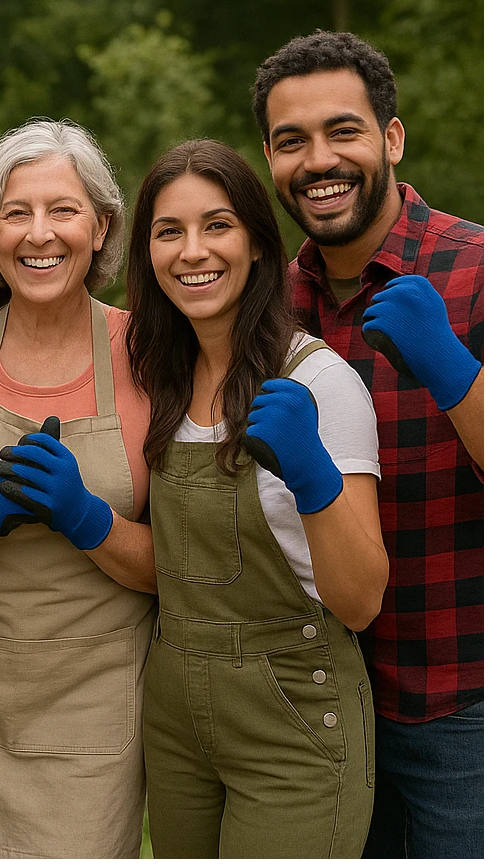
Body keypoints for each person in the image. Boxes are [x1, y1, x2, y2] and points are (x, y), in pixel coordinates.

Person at [252, 31, 484, 859]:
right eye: (291, 142)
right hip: (318, 707)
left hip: (462, 705)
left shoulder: (476, 270)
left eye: (342, 132)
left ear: (390, 138)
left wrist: (457, 375)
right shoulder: (268, 308)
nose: (319, 160)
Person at [0, 118, 157, 859]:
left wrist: (86, 520)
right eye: (16, 213)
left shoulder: (145, 355)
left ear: (102, 227)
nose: (38, 234)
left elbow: (182, 569)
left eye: (63, 211)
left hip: (94, 714)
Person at [125, 139, 388, 857]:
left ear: (260, 246)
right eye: (168, 231)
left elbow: (361, 600)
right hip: (175, 713)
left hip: (293, 719)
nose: (192, 251)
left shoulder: (319, 383)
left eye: (217, 225)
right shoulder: (155, 380)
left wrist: (314, 477)